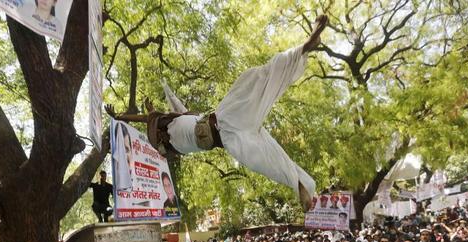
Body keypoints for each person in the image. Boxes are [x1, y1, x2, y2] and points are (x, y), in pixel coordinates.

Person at [106, 15, 330, 211]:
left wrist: (132, 113)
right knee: (269, 156)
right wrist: (124, 117)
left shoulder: (179, 124)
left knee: (259, 78)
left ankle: (304, 47)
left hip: (229, 124)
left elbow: (168, 107)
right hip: (231, 129)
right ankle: (299, 184)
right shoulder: (173, 139)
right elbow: (151, 118)